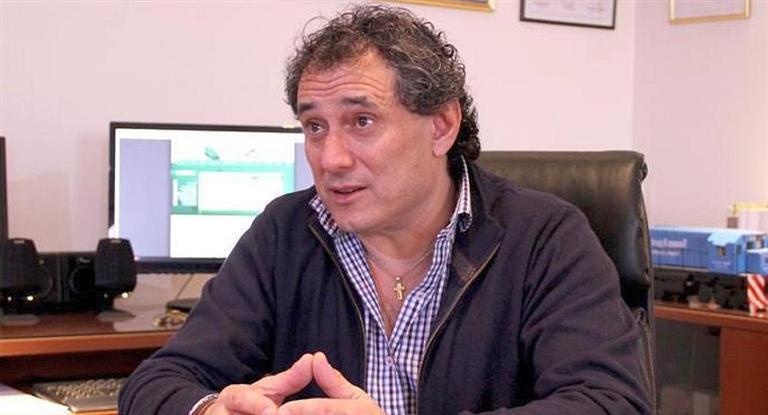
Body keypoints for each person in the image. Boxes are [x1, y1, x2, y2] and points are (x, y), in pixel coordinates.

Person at [118, 4, 651, 415]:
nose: (331, 158)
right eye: (315, 126)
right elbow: (157, 382)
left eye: (362, 122)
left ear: (442, 125)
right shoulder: (285, 232)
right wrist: (210, 409)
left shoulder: (544, 237)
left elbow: (611, 402)